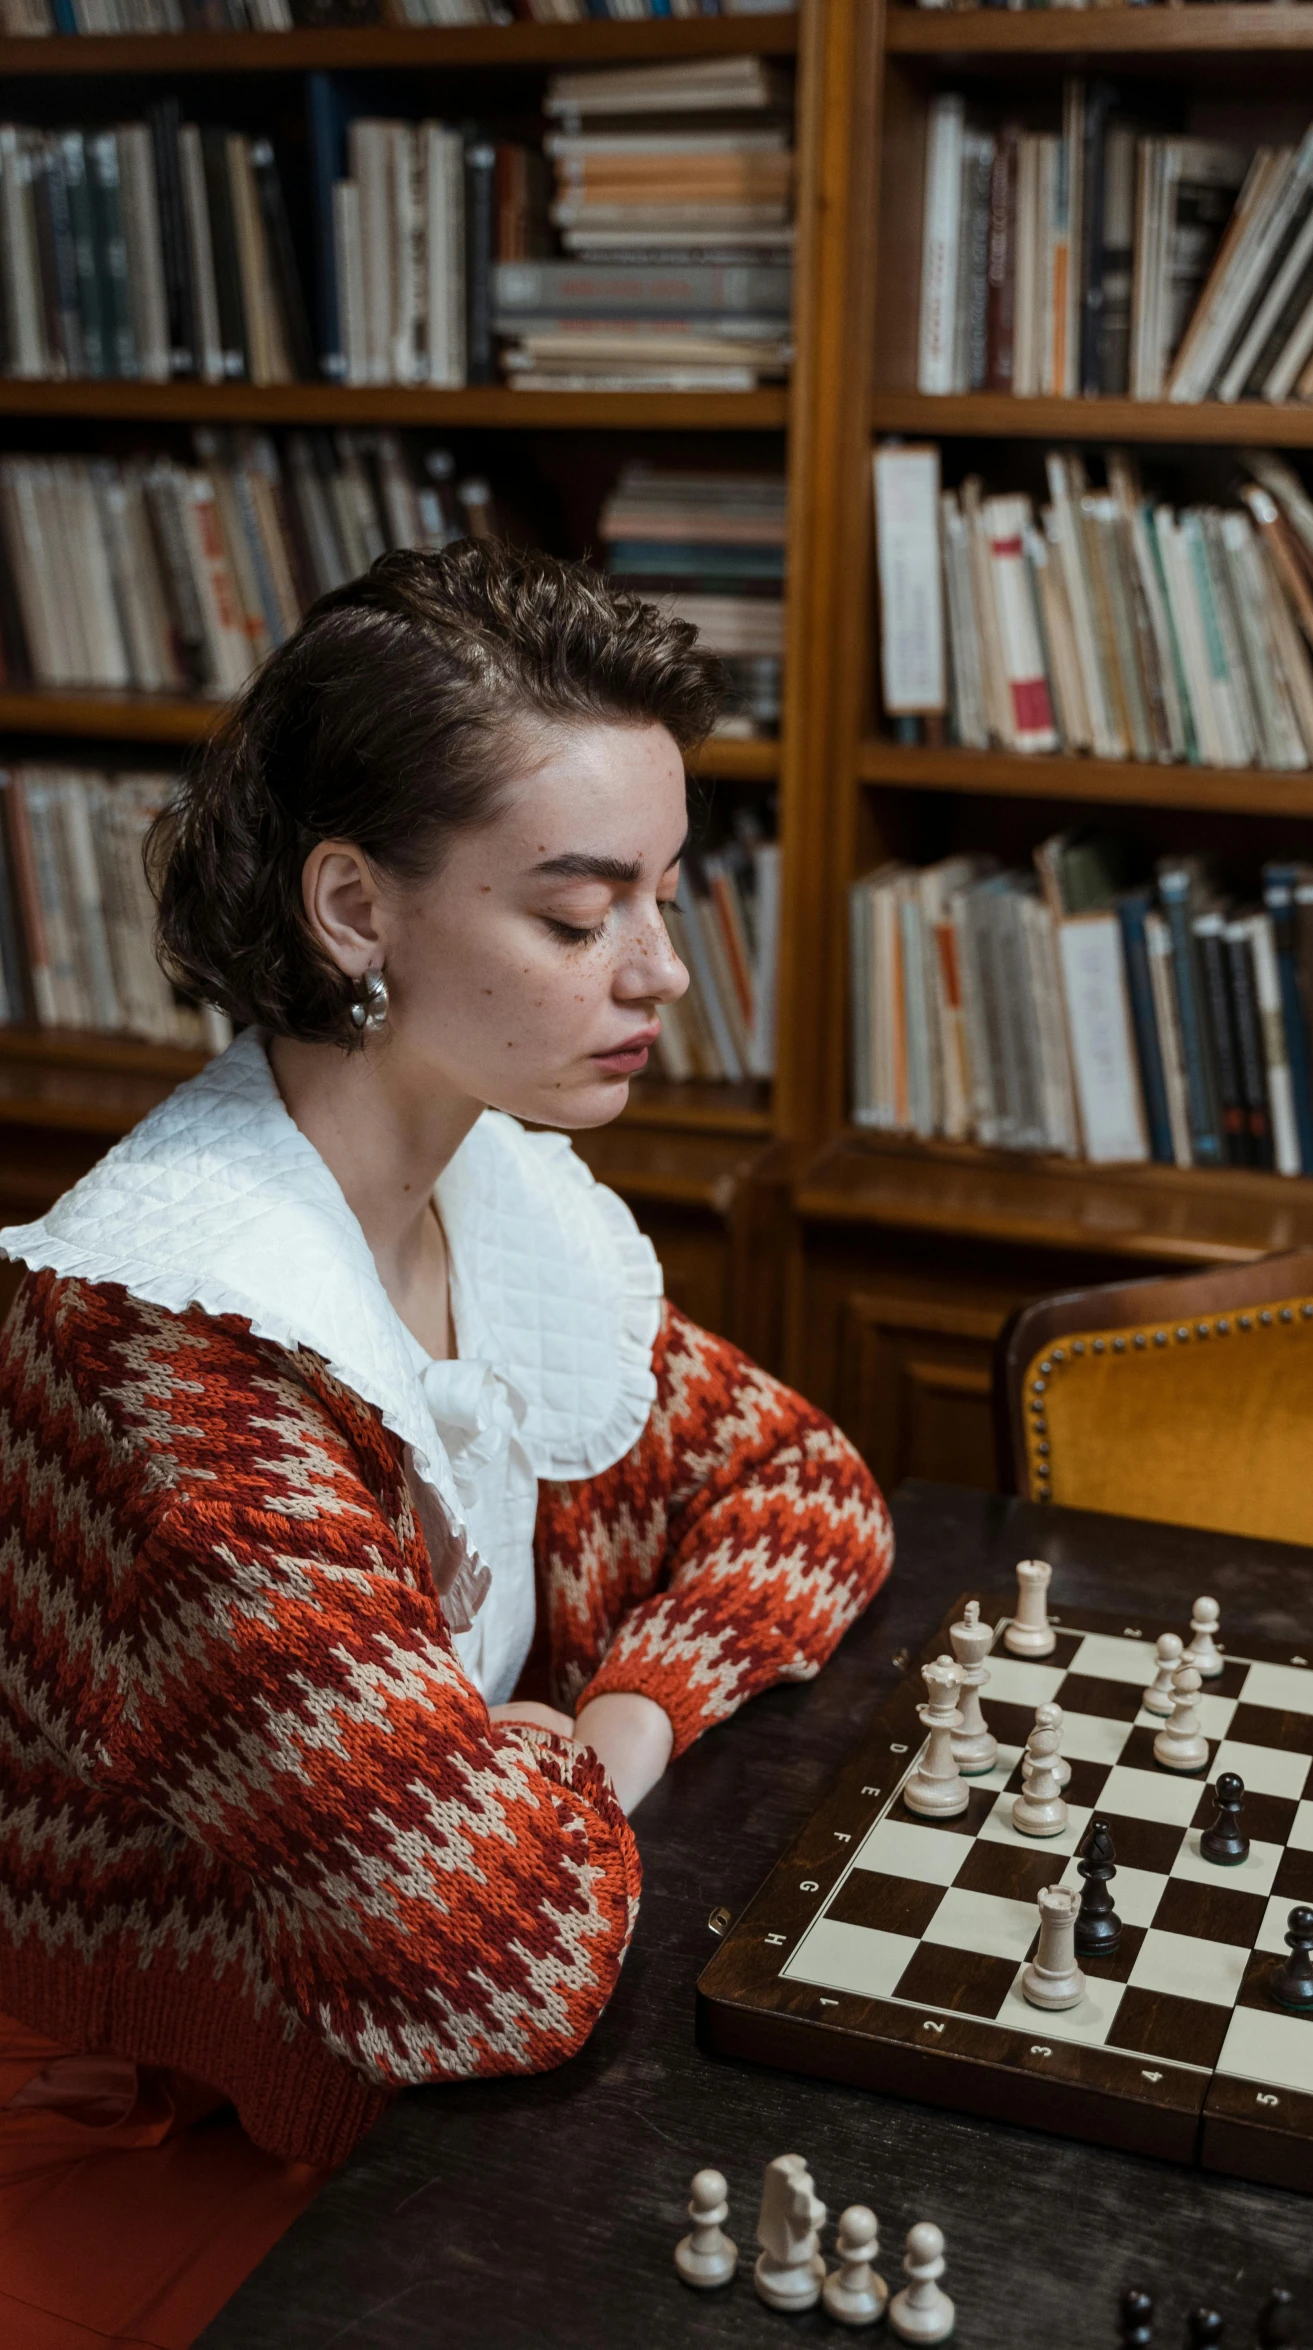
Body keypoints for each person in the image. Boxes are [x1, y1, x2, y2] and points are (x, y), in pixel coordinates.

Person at [0, 544, 893, 2346]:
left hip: (403, 2107)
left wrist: (606, 1725)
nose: (662, 973)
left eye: (664, 894)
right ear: (355, 908)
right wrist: (519, 1811)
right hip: (145, 2145)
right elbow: (494, 1953)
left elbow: (805, 1490)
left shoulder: (489, 1192)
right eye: (577, 916)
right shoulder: (172, 1354)